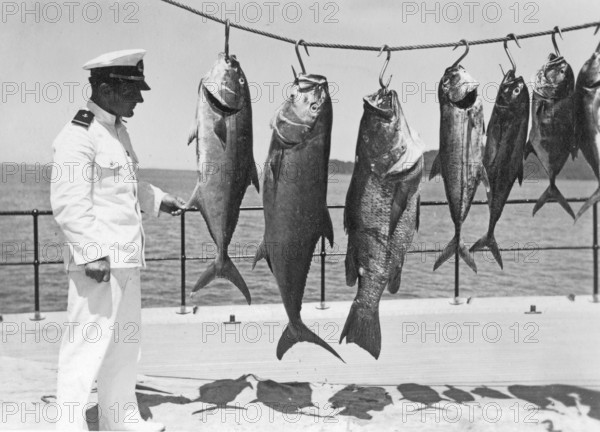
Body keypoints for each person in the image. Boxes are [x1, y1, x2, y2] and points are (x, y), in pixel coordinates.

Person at [50, 49, 185, 431]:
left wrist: (158, 200)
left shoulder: (117, 132)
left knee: (125, 350)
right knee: (84, 351)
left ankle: (119, 420)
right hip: (99, 266)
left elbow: (122, 188)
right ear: (108, 88)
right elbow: (68, 202)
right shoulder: (78, 135)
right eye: (132, 90)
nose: (139, 99)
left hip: (126, 259)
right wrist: (91, 254)